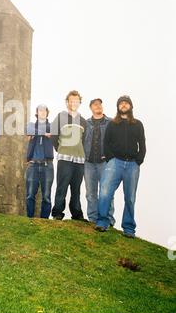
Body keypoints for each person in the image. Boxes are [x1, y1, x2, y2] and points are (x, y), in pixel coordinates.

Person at [95, 95, 146, 238]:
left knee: (130, 197)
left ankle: (129, 229)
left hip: (132, 165)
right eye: (121, 103)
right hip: (114, 163)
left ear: (130, 106)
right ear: (118, 107)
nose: (123, 105)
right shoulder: (112, 124)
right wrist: (110, 159)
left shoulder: (138, 124)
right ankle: (102, 222)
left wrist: (138, 160)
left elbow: (142, 144)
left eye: (126, 103)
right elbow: (106, 143)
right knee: (105, 192)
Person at [51, 90, 87, 220]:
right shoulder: (61, 117)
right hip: (65, 158)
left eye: (76, 101)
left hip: (79, 160)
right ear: (67, 102)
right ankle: (57, 213)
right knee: (62, 186)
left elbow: (85, 140)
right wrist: (60, 149)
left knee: (76, 189)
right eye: (71, 100)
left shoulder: (83, 121)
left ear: (79, 103)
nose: (73, 103)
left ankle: (77, 214)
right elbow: (54, 136)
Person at [84, 98, 115, 226]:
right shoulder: (86, 123)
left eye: (99, 104)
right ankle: (93, 219)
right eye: (95, 105)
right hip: (88, 163)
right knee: (91, 192)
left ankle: (108, 219)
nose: (98, 106)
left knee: (107, 191)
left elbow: (115, 140)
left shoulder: (111, 123)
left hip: (105, 163)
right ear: (91, 108)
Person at [25, 104, 54, 218]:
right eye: (40, 110)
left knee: (46, 195)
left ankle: (44, 220)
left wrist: (38, 133)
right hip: (33, 164)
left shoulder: (51, 126)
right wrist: (43, 134)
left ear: (47, 113)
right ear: (36, 113)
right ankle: (30, 218)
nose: (42, 112)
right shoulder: (31, 125)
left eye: (44, 110)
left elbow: (52, 133)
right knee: (30, 194)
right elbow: (28, 130)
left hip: (47, 165)